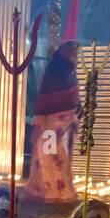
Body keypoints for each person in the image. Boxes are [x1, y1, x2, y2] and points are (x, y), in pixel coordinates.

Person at [24, 40, 80, 203]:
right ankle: (45, 191)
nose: (74, 56)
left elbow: (74, 97)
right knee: (47, 155)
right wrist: (39, 124)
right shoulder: (53, 72)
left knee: (60, 158)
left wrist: (77, 111)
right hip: (50, 124)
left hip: (67, 125)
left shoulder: (71, 72)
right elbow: (45, 99)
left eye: (76, 53)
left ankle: (60, 192)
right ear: (64, 54)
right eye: (71, 52)